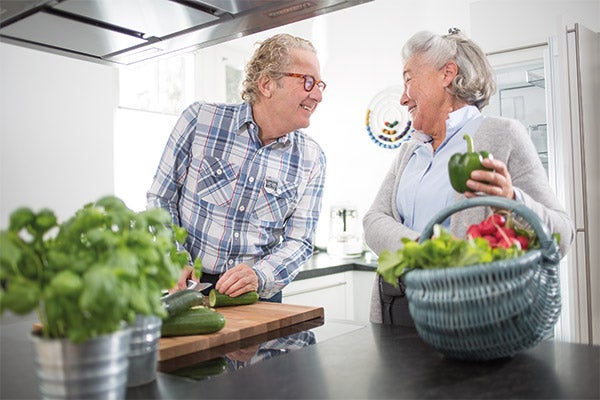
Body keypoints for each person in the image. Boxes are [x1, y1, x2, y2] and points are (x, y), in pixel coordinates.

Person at [363, 28, 574, 324]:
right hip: (397, 307)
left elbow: (561, 235)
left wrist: (512, 201)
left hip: (465, 314)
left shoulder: (502, 135)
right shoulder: (410, 149)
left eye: (408, 79)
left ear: (447, 73)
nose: (402, 98)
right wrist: (429, 253)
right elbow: (373, 221)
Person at [147, 33, 327, 302]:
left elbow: (299, 241)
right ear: (267, 83)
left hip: (255, 293)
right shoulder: (200, 121)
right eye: (308, 82)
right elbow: (161, 198)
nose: (318, 95)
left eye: (320, 84)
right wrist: (173, 257)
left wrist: (260, 275)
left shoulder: (312, 158)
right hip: (185, 285)